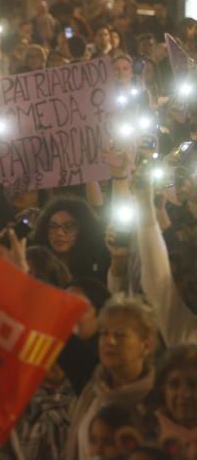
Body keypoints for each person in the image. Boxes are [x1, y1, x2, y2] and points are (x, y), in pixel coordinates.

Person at [67, 295, 158, 460]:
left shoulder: (156, 399)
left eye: (120, 335)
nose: (109, 341)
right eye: (104, 333)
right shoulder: (93, 390)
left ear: (147, 345)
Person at [32, 197, 110, 282]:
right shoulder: (35, 267)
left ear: (84, 229)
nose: (59, 233)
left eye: (68, 226)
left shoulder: (97, 265)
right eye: (53, 226)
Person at [143, 345, 197, 459]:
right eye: (174, 384)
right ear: (163, 390)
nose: (184, 393)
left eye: (193, 385)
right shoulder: (145, 433)